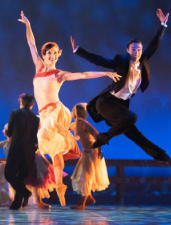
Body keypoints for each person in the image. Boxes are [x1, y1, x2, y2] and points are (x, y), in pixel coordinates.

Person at [19, 11, 120, 206]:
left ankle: (58, 186)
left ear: (58, 55)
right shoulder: (38, 67)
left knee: (47, 144)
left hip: (55, 112)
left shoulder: (59, 74)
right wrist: (27, 24)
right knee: (51, 150)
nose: (50, 56)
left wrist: (105, 73)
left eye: (54, 53)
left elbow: (82, 74)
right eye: (48, 53)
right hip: (43, 114)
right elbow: (31, 43)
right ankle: (58, 185)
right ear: (44, 55)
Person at [70, 8, 171, 166]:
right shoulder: (121, 61)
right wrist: (78, 51)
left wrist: (163, 25)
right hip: (105, 102)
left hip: (118, 106)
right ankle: (104, 138)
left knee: (133, 133)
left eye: (139, 50)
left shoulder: (143, 61)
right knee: (132, 117)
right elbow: (100, 60)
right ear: (127, 50)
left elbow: (154, 45)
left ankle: (160, 155)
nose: (137, 52)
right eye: (133, 49)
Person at [0, 124, 53, 209]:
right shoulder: (4, 142)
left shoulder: (17, 142)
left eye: (4, 129)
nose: (2, 130)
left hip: (19, 164)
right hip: (11, 165)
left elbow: (15, 158)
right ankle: (12, 199)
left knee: (34, 178)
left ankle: (37, 201)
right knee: (1, 170)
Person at [69, 103, 109, 210]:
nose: (71, 113)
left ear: (77, 112)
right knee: (81, 175)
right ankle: (89, 197)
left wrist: (100, 150)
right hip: (85, 152)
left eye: (73, 111)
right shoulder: (75, 124)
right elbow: (65, 129)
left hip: (92, 152)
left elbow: (97, 135)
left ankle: (82, 203)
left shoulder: (84, 124)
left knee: (85, 176)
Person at [4, 93, 39, 210]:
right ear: (32, 104)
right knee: (22, 176)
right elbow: (34, 137)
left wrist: (8, 133)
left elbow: (9, 133)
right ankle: (16, 204)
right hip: (29, 150)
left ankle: (25, 192)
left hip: (17, 147)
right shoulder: (35, 118)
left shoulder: (15, 113)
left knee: (9, 173)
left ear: (21, 102)